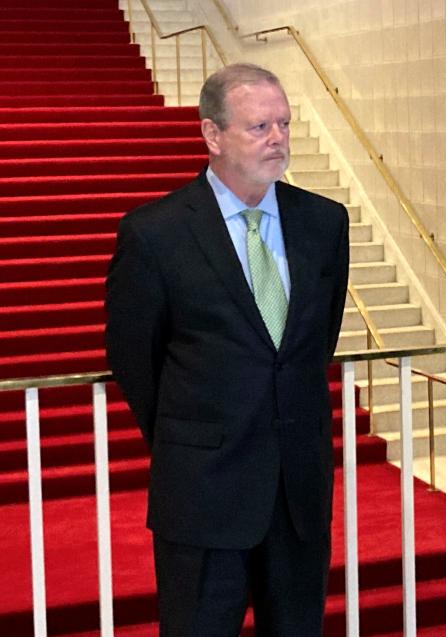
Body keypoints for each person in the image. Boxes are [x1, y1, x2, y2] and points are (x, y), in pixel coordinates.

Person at [105, 63, 349, 636]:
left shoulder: (324, 222)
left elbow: (310, 346)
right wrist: (193, 434)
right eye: (259, 126)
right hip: (204, 493)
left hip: (298, 493)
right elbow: (135, 358)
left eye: (284, 124)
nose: (278, 139)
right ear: (212, 135)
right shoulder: (154, 233)